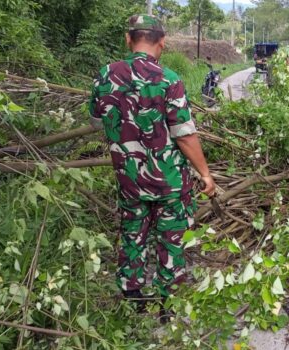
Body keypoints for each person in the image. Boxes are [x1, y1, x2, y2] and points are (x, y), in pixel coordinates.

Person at [88, 14, 215, 319]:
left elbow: (97, 121)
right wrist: (205, 174)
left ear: (128, 39)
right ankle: (167, 308)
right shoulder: (169, 79)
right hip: (168, 182)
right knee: (172, 238)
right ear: (162, 42)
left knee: (133, 232)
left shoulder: (106, 76)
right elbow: (184, 135)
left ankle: (133, 298)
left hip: (129, 179)